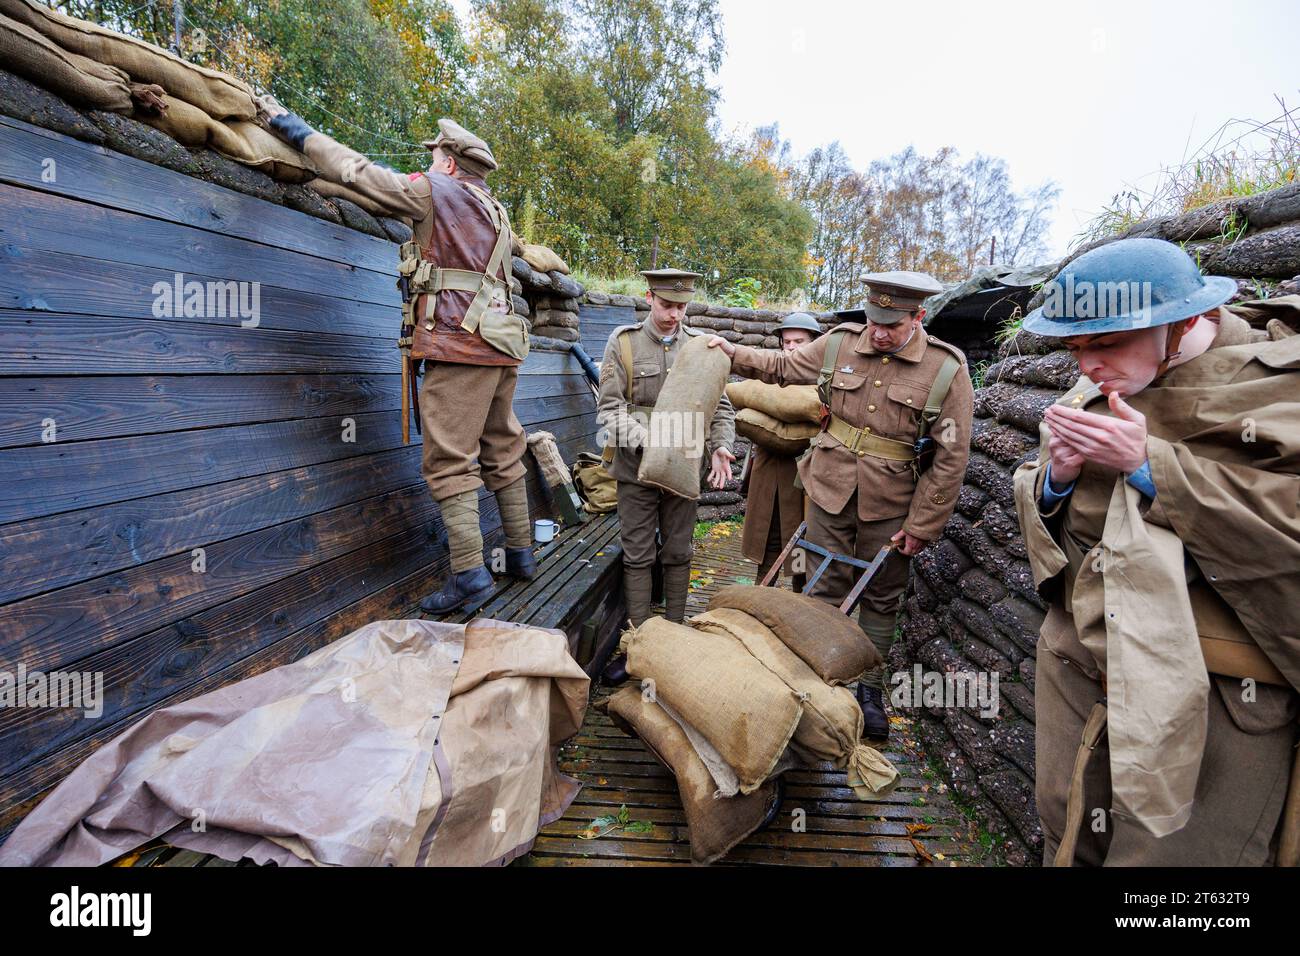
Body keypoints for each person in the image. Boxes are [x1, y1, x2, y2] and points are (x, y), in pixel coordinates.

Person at [1012, 236, 1300, 866]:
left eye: (1106, 343)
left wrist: (1150, 466)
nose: (1086, 366)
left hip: (1219, 686)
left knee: (1173, 864)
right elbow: (1055, 510)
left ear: (1184, 322)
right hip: (1083, 662)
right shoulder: (1096, 385)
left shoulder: (1279, 389)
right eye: (1075, 347)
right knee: (1069, 830)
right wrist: (1055, 479)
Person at [259, 104, 535, 613]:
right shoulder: (495, 210)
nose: (430, 163)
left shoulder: (435, 191)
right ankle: (521, 554)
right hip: (500, 345)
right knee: (503, 445)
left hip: (458, 345)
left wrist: (298, 132)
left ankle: (472, 577)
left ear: (448, 161)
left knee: (449, 460)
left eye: (434, 156)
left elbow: (358, 175)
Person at [708, 272, 973, 738]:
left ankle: (867, 690)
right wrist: (734, 354)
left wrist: (923, 523)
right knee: (819, 585)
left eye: (892, 323)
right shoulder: (839, 343)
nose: (879, 331)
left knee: (882, 596)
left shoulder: (946, 370)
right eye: (874, 319)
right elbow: (783, 369)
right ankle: (815, 680)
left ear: (918, 317)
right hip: (827, 489)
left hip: (892, 503)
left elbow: (951, 457)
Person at [599, 269, 736, 682]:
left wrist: (722, 446)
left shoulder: (701, 348)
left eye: (681, 306)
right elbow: (609, 411)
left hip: (684, 468)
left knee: (678, 550)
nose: (675, 314)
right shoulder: (622, 343)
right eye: (666, 305)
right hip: (634, 466)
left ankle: (674, 636)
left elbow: (722, 408)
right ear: (649, 298)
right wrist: (648, 442)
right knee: (638, 553)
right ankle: (639, 644)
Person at [741, 312, 823, 591]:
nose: (791, 347)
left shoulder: (826, 381)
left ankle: (799, 596)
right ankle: (760, 595)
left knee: (803, 537)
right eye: (786, 342)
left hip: (808, 474)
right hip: (769, 469)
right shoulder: (770, 376)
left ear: (814, 344)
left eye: (799, 341)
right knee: (768, 535)